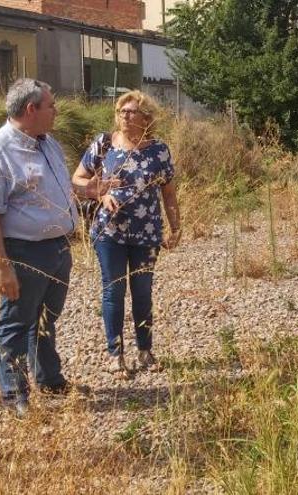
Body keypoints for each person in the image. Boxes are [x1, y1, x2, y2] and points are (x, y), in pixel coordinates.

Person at [0, 79, 85, 416]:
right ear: (31, 109)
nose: (56, 111)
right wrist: (1, 266)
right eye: (51, 105)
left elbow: (57, 190)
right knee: (16, 323)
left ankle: (49, 379)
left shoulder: (49, 144)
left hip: (58, 249)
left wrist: (87, 192)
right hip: (23, 253)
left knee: (47, 318)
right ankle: (15, 395)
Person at [72, 91, 181, 374]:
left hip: (147, 234)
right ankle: (115, 355)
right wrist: (100, 195)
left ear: (146, 118)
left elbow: (169, 194)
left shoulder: (159, 151)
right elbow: (78, 178)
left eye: (131, 111)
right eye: (121, 111)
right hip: (110, 232)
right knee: (113, 290)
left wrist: (176, 227)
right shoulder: (104, 144)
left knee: (143, 292)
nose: (124, 116)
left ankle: (145, 351)